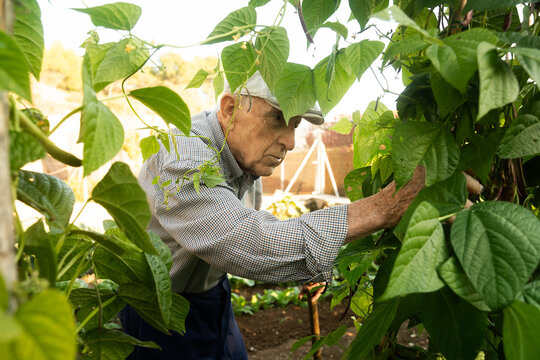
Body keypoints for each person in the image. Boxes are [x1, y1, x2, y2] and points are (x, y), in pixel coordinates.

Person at [120, 71, 427, 359]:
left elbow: (254, 230)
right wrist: (382, 208)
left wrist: (300, 262)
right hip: (159, 314)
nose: (290, 142)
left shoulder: (244, 156)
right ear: (229, 109)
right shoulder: (181, 157)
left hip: (214, 294)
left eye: (294, 125)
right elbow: (248, 239)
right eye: (277, 118)